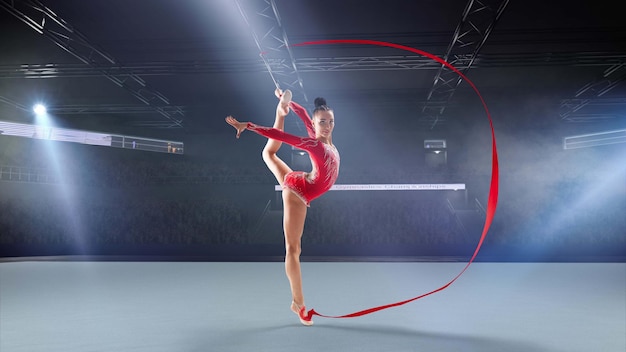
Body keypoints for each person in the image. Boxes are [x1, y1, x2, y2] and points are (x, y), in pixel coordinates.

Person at [225, 88, 339, 326]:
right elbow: (285, 137)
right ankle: (299, 304)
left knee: (268, 153)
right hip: (298, 192)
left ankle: (281, 111)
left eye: (330, 121)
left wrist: (285, 100)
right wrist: (249, 126)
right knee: (293, 250)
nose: (326, 126)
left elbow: (305, 114)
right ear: (317, 126)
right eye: (322, 123)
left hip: (299, 180)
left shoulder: (325, 140)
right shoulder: (316, 144)